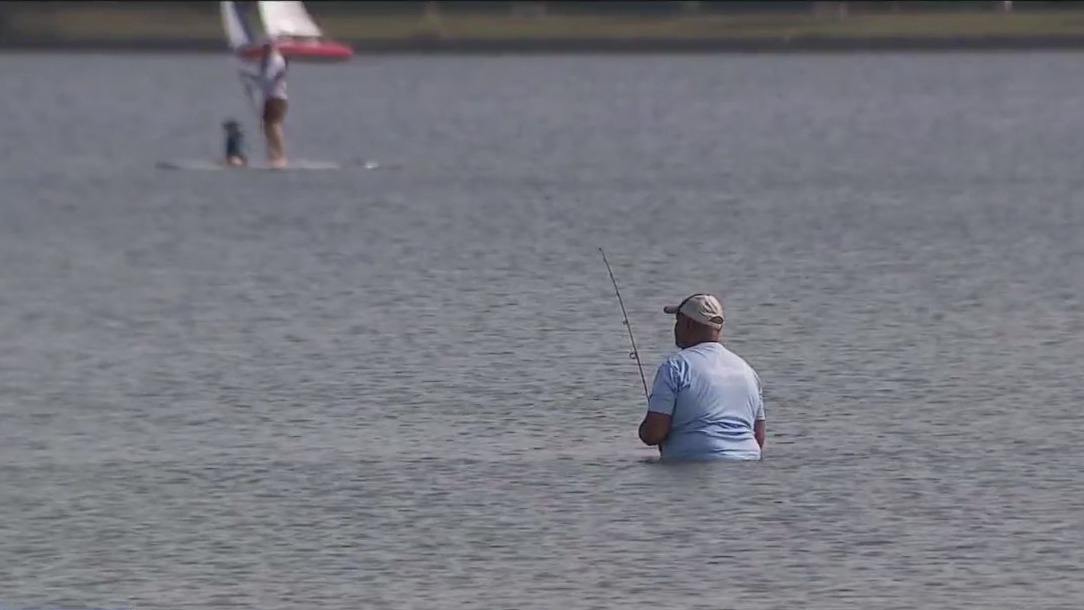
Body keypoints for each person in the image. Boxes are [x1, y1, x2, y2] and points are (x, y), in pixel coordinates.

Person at [638, 293, 766, 462]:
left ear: (689, 324)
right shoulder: (748, 371)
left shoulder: (675, 367)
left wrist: (646, 428)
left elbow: (653, 434)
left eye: (678, 321)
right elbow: (759, 437)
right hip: (748, 461)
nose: (675, 328)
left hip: (695, 461)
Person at [257, 42, 289, 168]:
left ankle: (281, 156)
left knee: (274, 125)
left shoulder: (276, 60)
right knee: (266, 126)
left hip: (277, 97)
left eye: (267, 47)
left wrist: (258, 73)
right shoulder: (267, 60)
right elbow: (262, 77)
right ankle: (273, 154)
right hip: (269, 97)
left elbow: (268, 77)